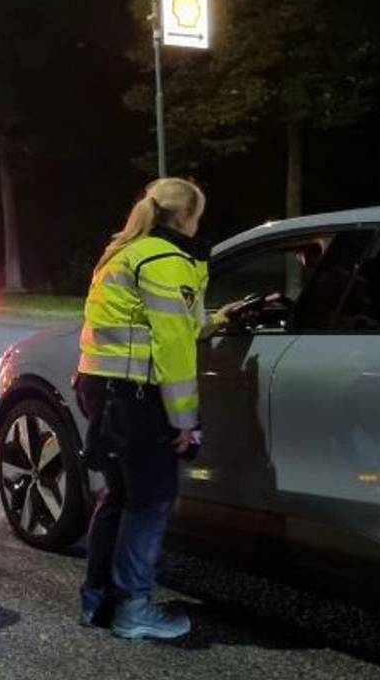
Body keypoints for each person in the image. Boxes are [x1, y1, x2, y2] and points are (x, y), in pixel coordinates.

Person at [74, 178, 249, 641]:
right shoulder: (167, 261)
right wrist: (185, 421)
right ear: (187, 217)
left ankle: (97, 602)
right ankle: (133, 609)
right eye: (200, 216)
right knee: (150, 503)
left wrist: (216, 321)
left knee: (119, 495)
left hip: (103, 390)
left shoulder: (128, 251)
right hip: (137, 399)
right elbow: (171, 345)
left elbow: (161, 324)